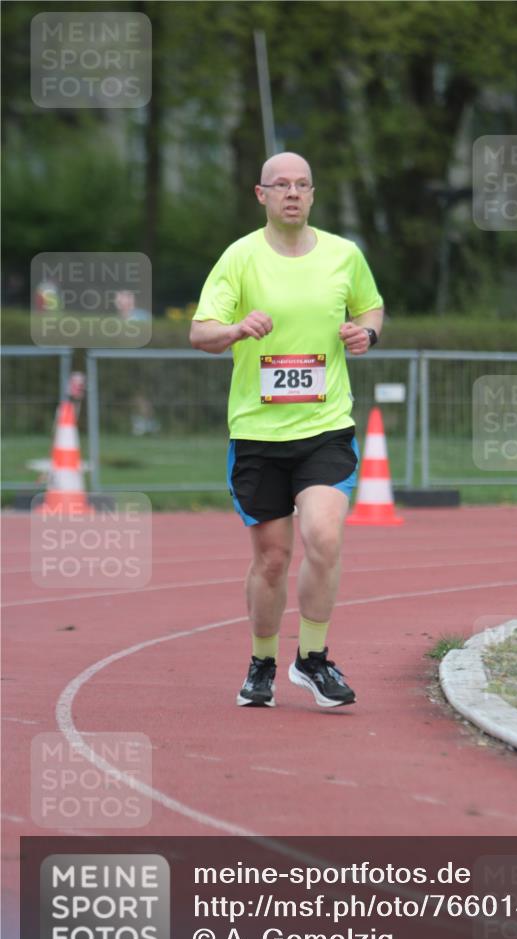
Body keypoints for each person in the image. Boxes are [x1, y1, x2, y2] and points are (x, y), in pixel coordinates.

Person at [190, 152, 384, 709]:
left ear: (313, 194)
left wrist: (366, 336)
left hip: (325, 426)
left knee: (323, 538)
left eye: (302, 184)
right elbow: (200, 332)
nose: (292, 193)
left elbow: (371, 310)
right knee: (272, 559)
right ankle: (262, 664)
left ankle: (314, 660)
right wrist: (235, 328)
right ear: (261, 195)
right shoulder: (240, 258)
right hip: (258, 431)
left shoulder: (345, 255)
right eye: (281, 185)